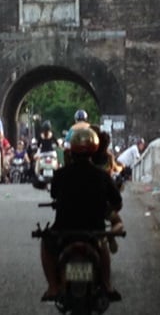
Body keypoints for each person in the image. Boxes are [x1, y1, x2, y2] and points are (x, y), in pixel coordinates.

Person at [39, 127, 122, 302]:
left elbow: (54, 194)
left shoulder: (61, 174)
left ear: (72, 151)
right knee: (102, 245)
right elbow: (117, 202)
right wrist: (106, 208)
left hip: (64, 228)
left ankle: (53, 287)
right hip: (94, 228)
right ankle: (107, 284)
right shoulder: (102, 176)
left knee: (46, 242)